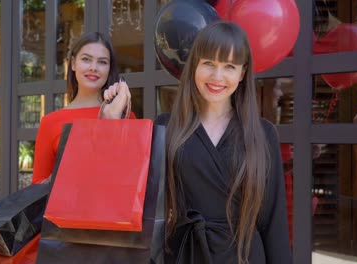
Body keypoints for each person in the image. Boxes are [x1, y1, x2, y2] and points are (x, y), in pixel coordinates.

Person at [155, 21, 291, 263]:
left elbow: (274, 222)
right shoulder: (166, 127)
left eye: (229, 66)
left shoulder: (262, 134)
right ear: (194, 65)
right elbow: (135, 194)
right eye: (208, 63)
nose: (217, 77)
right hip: (186, 254)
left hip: (244, 256)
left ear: (242, 72)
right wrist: (112, 122)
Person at [31, 31, 134, 184]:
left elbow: (132, 177)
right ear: (73, 63)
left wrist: (113, 120)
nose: (94, 68)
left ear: (109, 68)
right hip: (65, 207)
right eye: (86, 59)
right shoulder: (50, 122)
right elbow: (37, 186)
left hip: (113, 207)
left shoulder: (126, 116)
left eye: (102, 62)